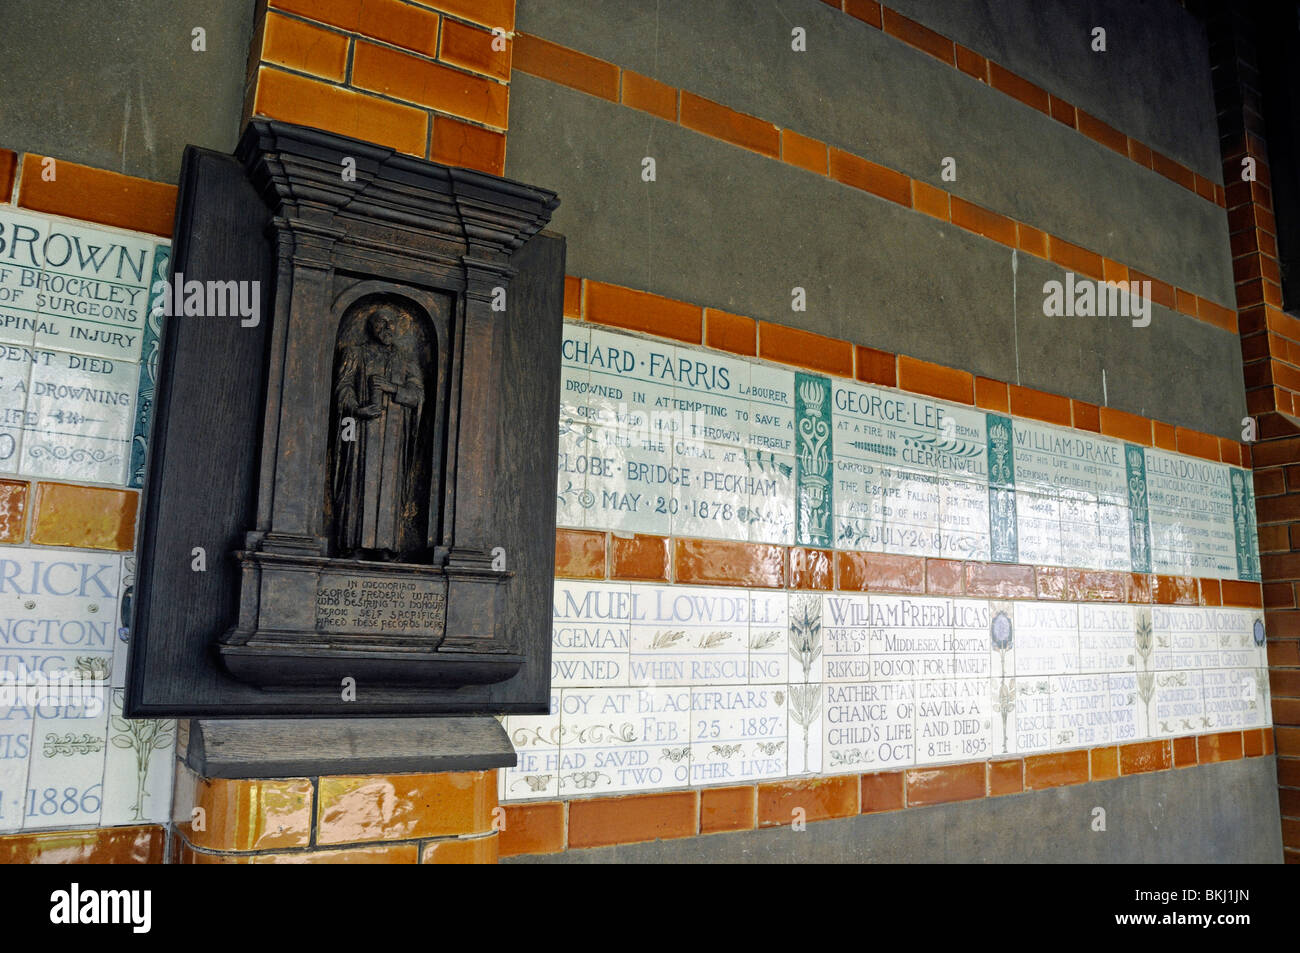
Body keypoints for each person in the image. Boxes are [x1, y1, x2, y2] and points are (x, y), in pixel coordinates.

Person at [332, 306, 424, 559]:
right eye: (380, 323)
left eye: (390, 323)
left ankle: (386, 545)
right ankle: (353, 543)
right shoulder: (356, 353)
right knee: (359, 480)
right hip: (362, 432)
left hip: (394, 435)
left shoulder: (406, 360)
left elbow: (417, 395)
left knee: (390, 485)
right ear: (371, 328)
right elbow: (343, 387)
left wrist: (393, 388)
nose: (386, 328)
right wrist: (357, 409)